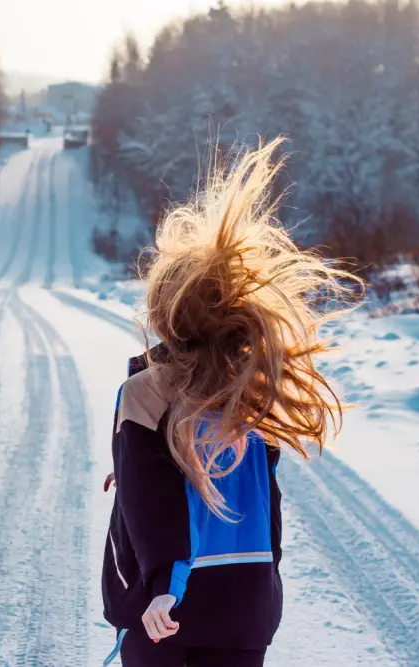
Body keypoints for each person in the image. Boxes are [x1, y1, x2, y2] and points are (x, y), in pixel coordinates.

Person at [101, 138, 360, 667]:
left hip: (167, 611)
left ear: (165, 311)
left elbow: (156, 505)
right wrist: (266, 585)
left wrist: (161, 587)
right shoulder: (252, 386)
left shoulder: (146, 392)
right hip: (246, 603)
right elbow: (263, 500)